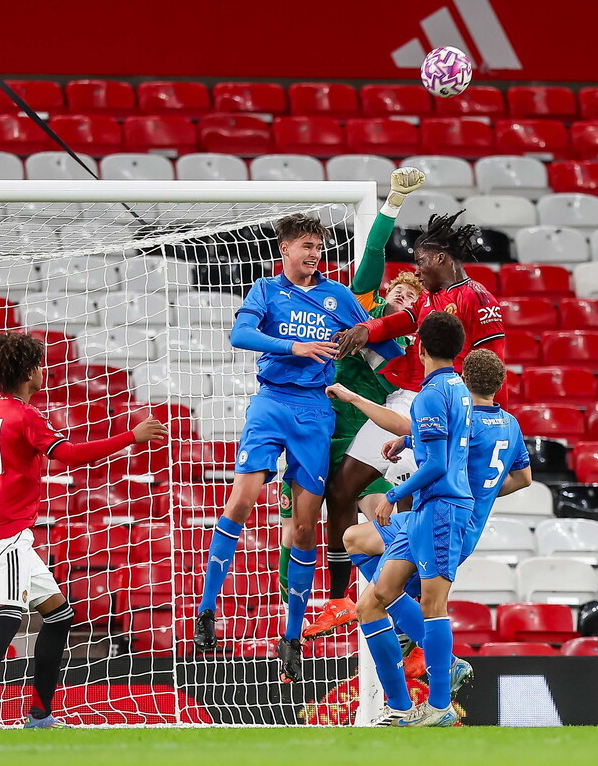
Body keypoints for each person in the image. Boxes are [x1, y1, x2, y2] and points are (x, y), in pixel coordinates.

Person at [192, 213, 403, 684]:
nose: (313, 253)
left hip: (315, 413)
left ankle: (291, 637)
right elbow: (240, 335)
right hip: (271, 403)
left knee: (305, 529)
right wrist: (296, 347)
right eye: (306, 245)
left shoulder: (339, 297)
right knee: (242, 499)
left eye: (318, 246)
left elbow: (387, 348)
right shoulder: (265, 291)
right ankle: (207, 611)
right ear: (284, 249)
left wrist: (411, 354)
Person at [0, 332, 167, 729]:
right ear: (30, 371)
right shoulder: (24, 415)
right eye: (41, 364)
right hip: (7, 531)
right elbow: (68, 455)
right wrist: (130, 437)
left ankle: (40, 714)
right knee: (10, 613)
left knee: (59, 615)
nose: (45, 370)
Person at [322, 213, 505, 638]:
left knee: (417, 516)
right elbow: (401, 323)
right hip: (408, 402)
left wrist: (490, 420)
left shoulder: (477, 298)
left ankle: (410, 617)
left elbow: (494, 366)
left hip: (447, 413)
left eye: (421, 260)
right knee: (342, 488)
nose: (417, 269)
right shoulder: (432, 299)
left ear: (440, 256)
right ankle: (338, 599)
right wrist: (367, 330)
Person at [332, 348, 532, 678]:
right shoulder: (510, 425)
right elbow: (523, 479)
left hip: (442, 519)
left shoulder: (466, 421)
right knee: (355, 538)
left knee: (388, 601)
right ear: (499, 384)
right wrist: (482, 492)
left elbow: (425, 443)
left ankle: (436, 667)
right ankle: (409, 631)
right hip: (461, 520)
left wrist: (356, 401)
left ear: (464, 380)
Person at [296, 168, 424, 639]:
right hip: (343, 420)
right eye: (398, 290)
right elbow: (370, 256)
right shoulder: (360, 310)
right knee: (341, 499)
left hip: (398, 416)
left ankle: (407, 609)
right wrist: (391, 205)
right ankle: (341, 599)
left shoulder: (410, 338)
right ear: (384, 294)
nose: (403, 297)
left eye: (412, 296)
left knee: (395, 513)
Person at [347, 311, 473, 727]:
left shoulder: (431, 395)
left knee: (434, 607)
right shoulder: (458, 388)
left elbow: (437, 462)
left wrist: (394, 494)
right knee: (371, 602)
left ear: (419, 348)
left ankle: (437, 707)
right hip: (429, 510)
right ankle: (400, 708)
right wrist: (407, 437)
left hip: (439, 509)